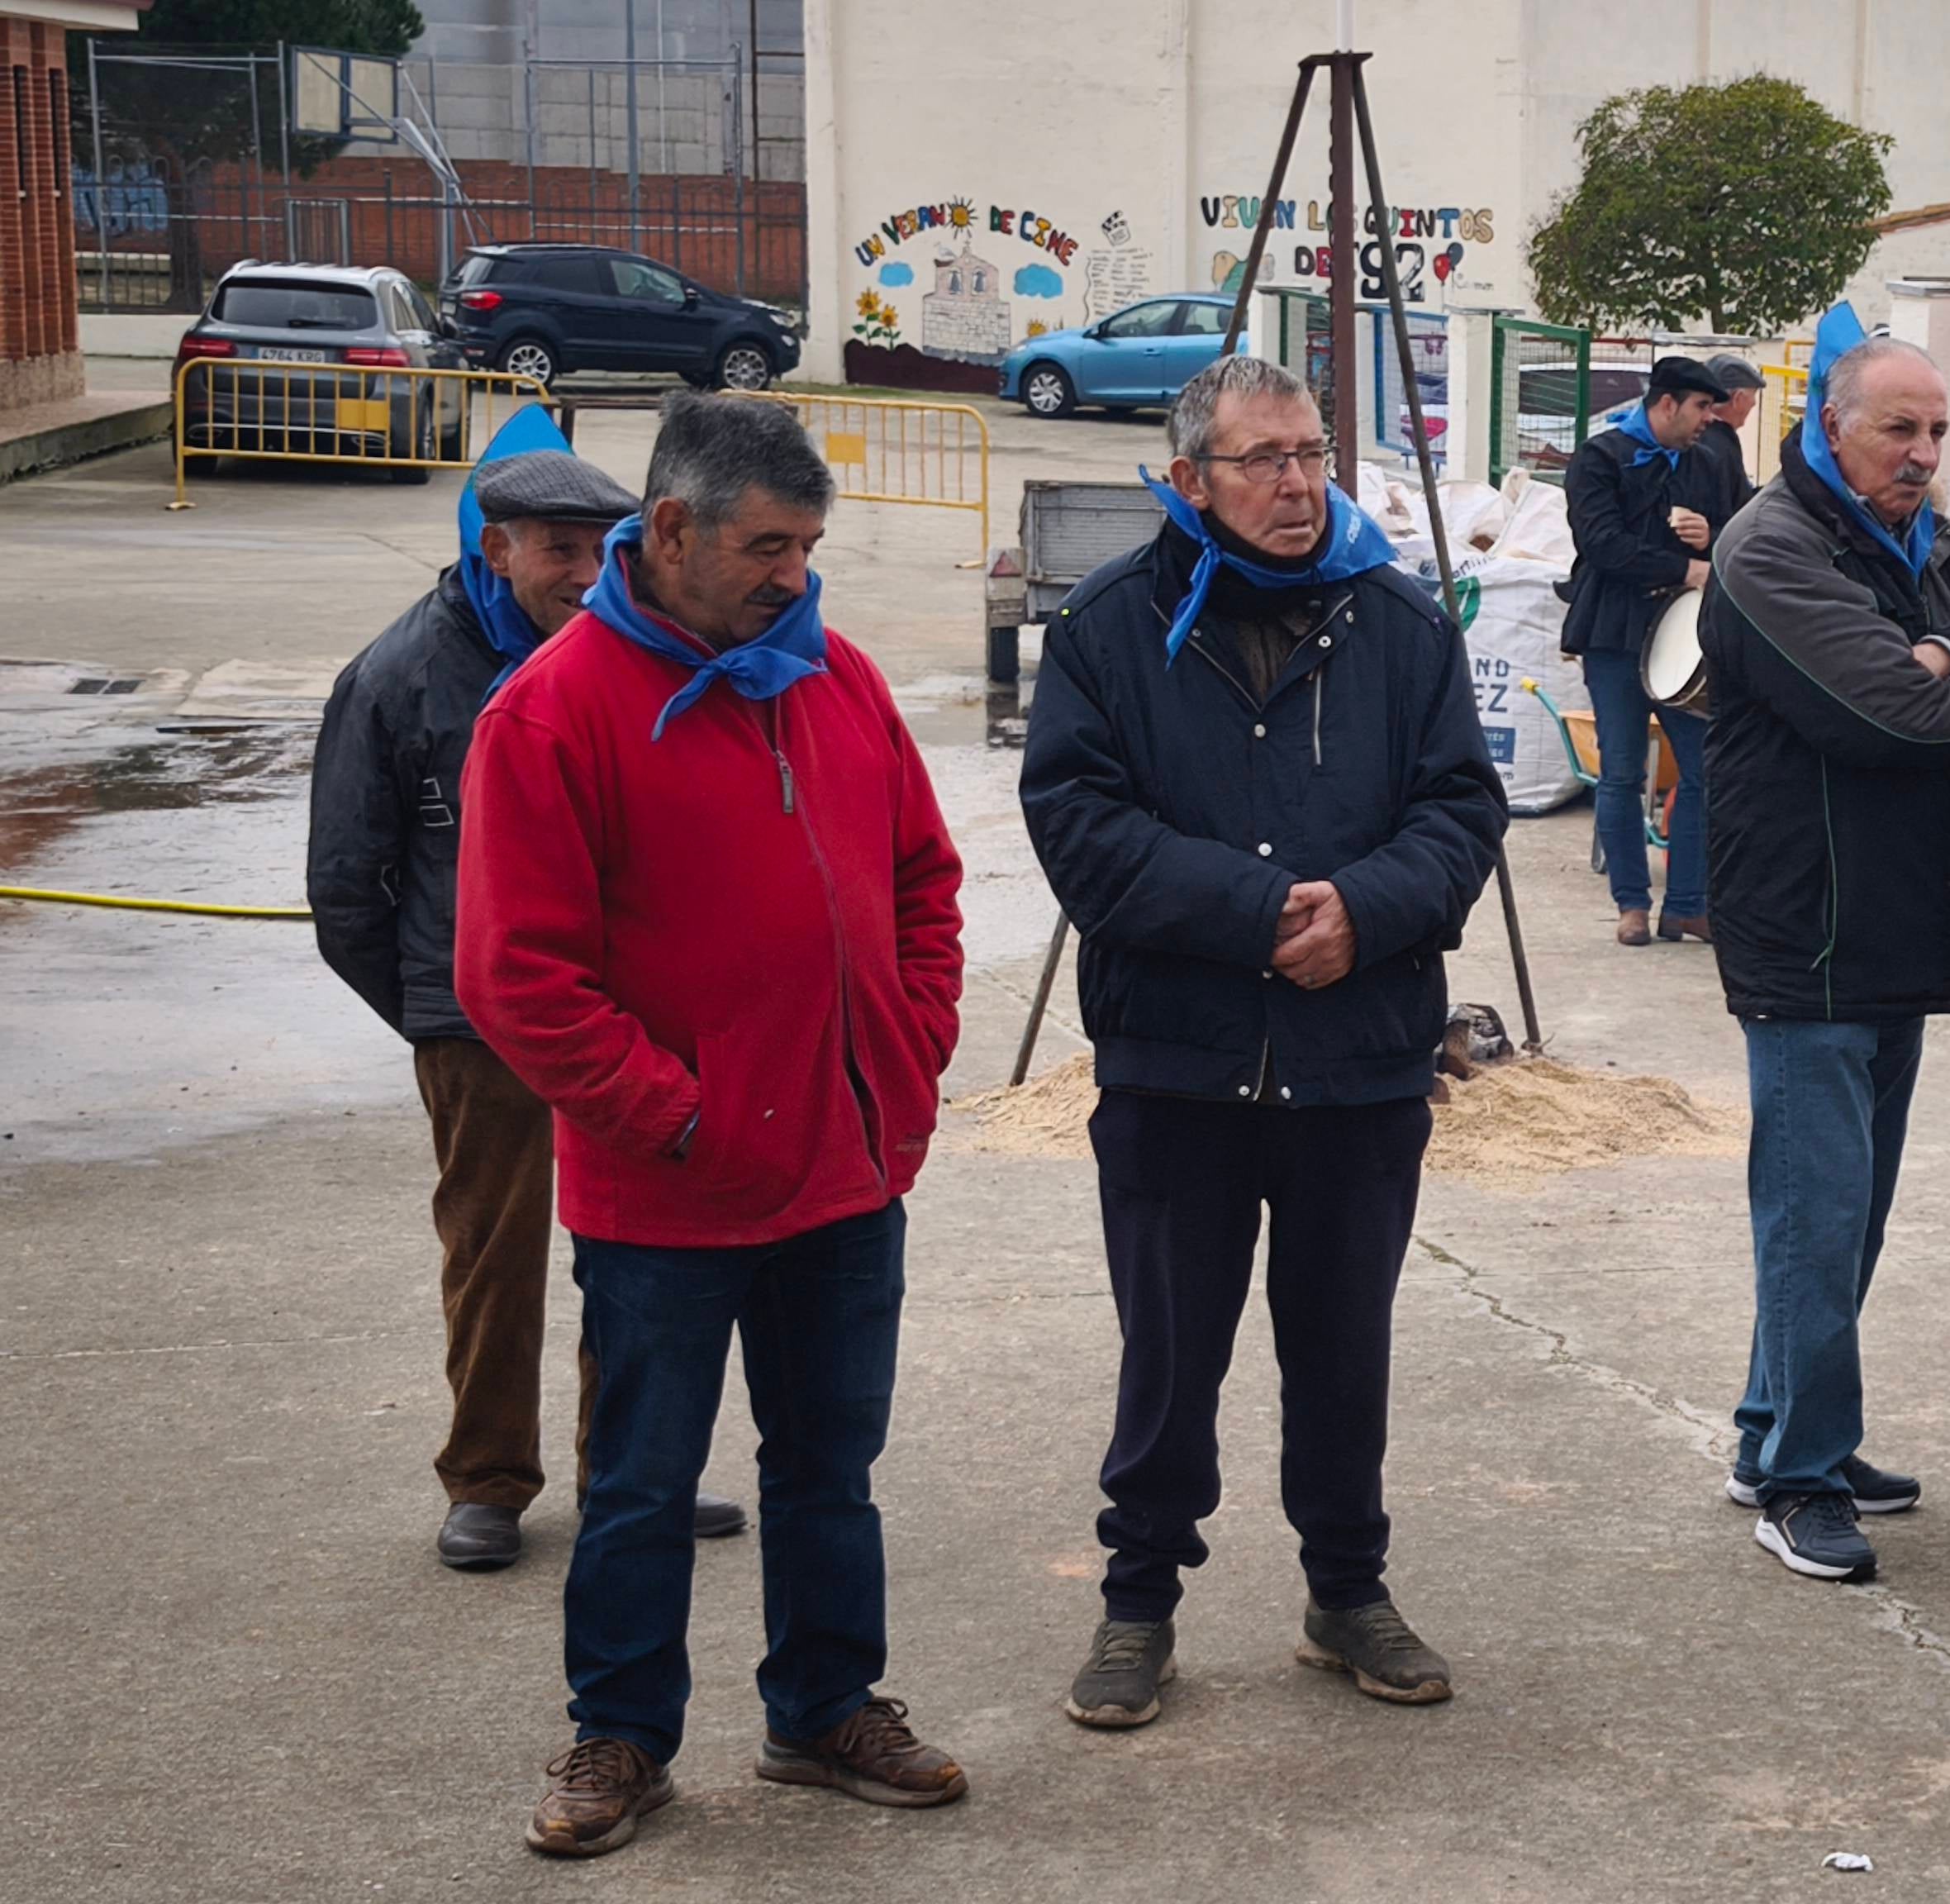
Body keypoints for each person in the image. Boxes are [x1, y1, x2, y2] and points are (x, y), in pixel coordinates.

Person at [459, 392, 968, 1854]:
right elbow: (519, 979)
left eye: (807, 546)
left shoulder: (837, 678)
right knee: (640, 1483)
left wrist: (910, 1050)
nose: (791, 577)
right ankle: (618, 1735)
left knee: (828, 1468)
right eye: (764, 546)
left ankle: (825, 1708)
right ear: (668, 528)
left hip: (846, 1172)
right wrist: (679, 1118)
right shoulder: (553, 711)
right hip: (665, 1197)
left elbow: (925, 882)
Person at [1021, 356, 1507, 1731]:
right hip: (1178, 1061)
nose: (1297, 484)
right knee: (1168, 1350)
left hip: (1356, 1059)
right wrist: (1255, 910)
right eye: (1262, 459)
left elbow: (1462, 815)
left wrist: (1365, 907)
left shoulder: (1401, 624)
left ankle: (1347, 1588)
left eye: (1310, 453)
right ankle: (1138, 1604)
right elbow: (1078, 826)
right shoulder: (1113, 628)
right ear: (1189, 480)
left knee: (1343, 1342)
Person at [307, 436, 749, 1570]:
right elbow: (346, 884)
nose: (581, 575)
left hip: (621, 1013)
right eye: (556, 552)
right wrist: (440, 1010)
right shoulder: (399, 674)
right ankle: (488, 1480)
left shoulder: (630, 654)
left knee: (636, 1251)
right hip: (479, 1027)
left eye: (595, 551)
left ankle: (631, 1470)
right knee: (493, 1252)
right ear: (493, 547)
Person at [1702, 310, 1950, 1583]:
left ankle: (1776, 1436)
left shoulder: (1926, 540)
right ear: (1830, 428)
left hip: (1904, 922)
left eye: (1935, 431)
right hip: (1806, 930)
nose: (1923, 453)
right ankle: (1803, 1478)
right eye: (1897, 430)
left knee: (1847, 1214)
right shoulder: (1774, 548)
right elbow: (1896, 720)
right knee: (1815, 1214)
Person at [1561, 354, 1738, 945]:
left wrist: (1711, 539)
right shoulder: (1599, 459)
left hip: (1683, 637)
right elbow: (1602, 545)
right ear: (1667, 405)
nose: (1709, 419)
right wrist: (1685, 565)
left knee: (1704, 769)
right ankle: (1631, 905)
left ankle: (1686, 904)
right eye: (1701, 408)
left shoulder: (1708, 462)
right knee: (1620, 771)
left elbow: (1740, 528)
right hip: (1614, 631)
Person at [1694, 352, 1764, 498]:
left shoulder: (1694, 434)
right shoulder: (1721, 445)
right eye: (1754, 394)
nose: (1754, 403)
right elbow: (1733, 507)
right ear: (1737, 399)